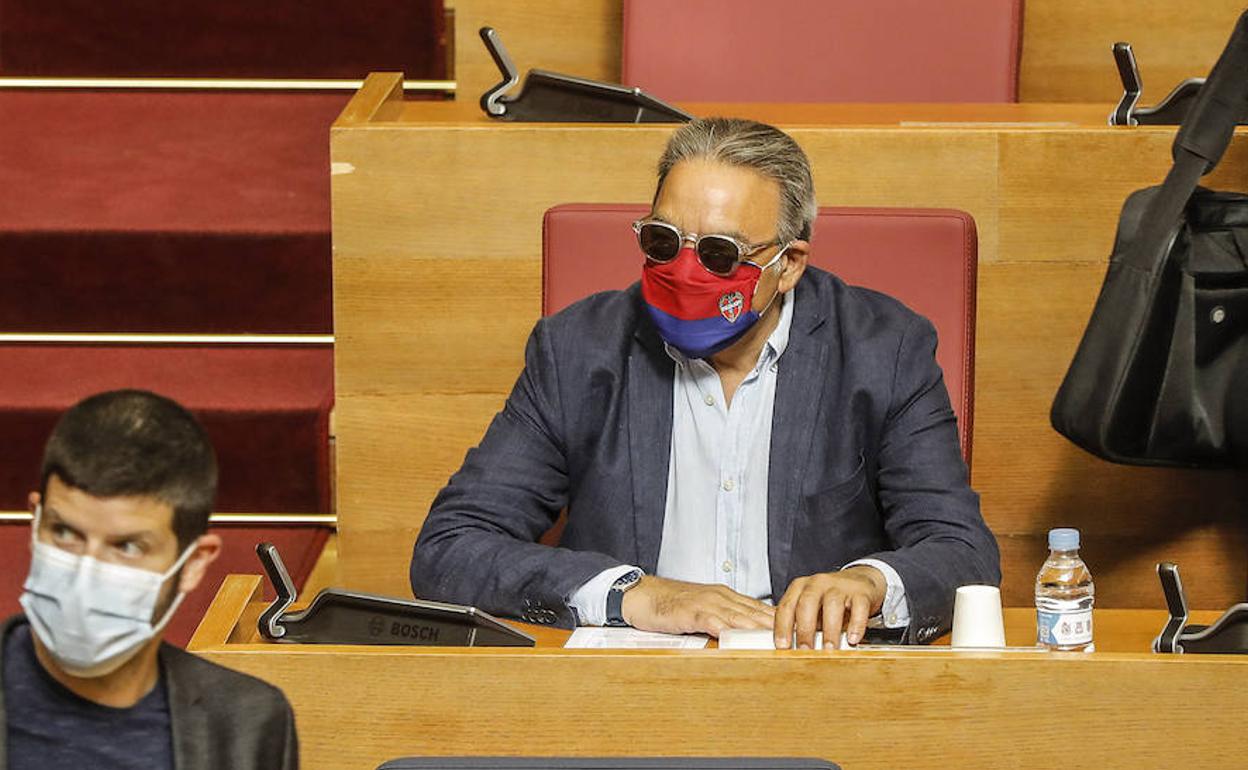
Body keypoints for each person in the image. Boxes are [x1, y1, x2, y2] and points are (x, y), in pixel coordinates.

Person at [412, 117, 1000, 649]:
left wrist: (867, 584)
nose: (684, 271)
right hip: (628, 678)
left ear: (789, 264)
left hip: (812, 680)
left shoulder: (883, 348)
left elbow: (962, 553)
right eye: (662, 243)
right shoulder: (578, 348)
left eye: (720, 254)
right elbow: (451, 547)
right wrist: (635, 595)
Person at [0, 390, 298, 769]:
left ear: (193, 563)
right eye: (64, 533)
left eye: (127, 546)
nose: (85, 572)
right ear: (35, 520)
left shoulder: (246, 724)